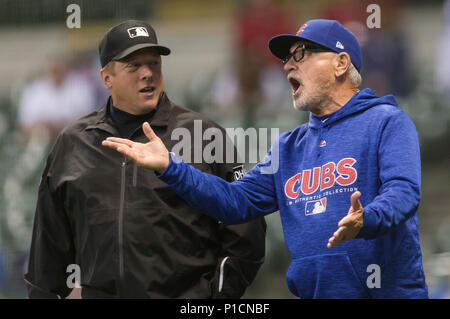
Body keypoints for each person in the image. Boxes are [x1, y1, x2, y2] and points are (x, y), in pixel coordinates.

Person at [103, 19, 429, 298]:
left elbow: (403, 193)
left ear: (341, 63)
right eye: (288, 58)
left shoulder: (386, 121)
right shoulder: (288, 146)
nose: (288, 65)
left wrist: (366, 220)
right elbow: (236, 201)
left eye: (301, 54)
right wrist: (170, 167)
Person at [24, 20, 266, 299]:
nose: (148, 73)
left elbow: (246, 227)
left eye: (154, 63)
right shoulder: (74, 142)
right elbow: (49, 247)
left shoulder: (202, 134)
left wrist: (219, 296)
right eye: (133, 66)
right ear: (106, 78)